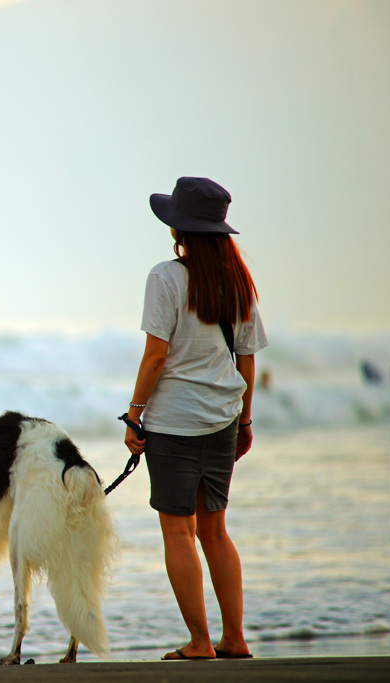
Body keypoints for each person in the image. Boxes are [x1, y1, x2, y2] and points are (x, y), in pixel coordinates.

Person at [124, 177, 268, 661]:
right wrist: (245, 421)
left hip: (172, 423)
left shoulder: (165, 278)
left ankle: (201, 642)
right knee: (215, 531)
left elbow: (155, 358)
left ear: (178, 231)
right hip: (224, 419)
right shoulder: (238, 281)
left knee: (178, 532)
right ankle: (235, 638)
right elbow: (246, 360)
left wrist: (134, 415)